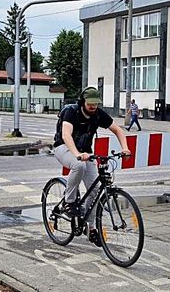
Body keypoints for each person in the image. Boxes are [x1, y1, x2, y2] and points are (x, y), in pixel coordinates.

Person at [53, 86, 131, 247]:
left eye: (96, 104)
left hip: (85, 152)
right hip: (64, 148)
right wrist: (76, 153)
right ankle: (69, 201)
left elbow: (117, 129)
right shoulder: (71, 112)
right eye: (90, 104)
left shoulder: (98, 114)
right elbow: (66, 135)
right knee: (79, 166)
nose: (93, 107)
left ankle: (91, 228)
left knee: (95, 189)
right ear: (83, 102)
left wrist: (125, 148)